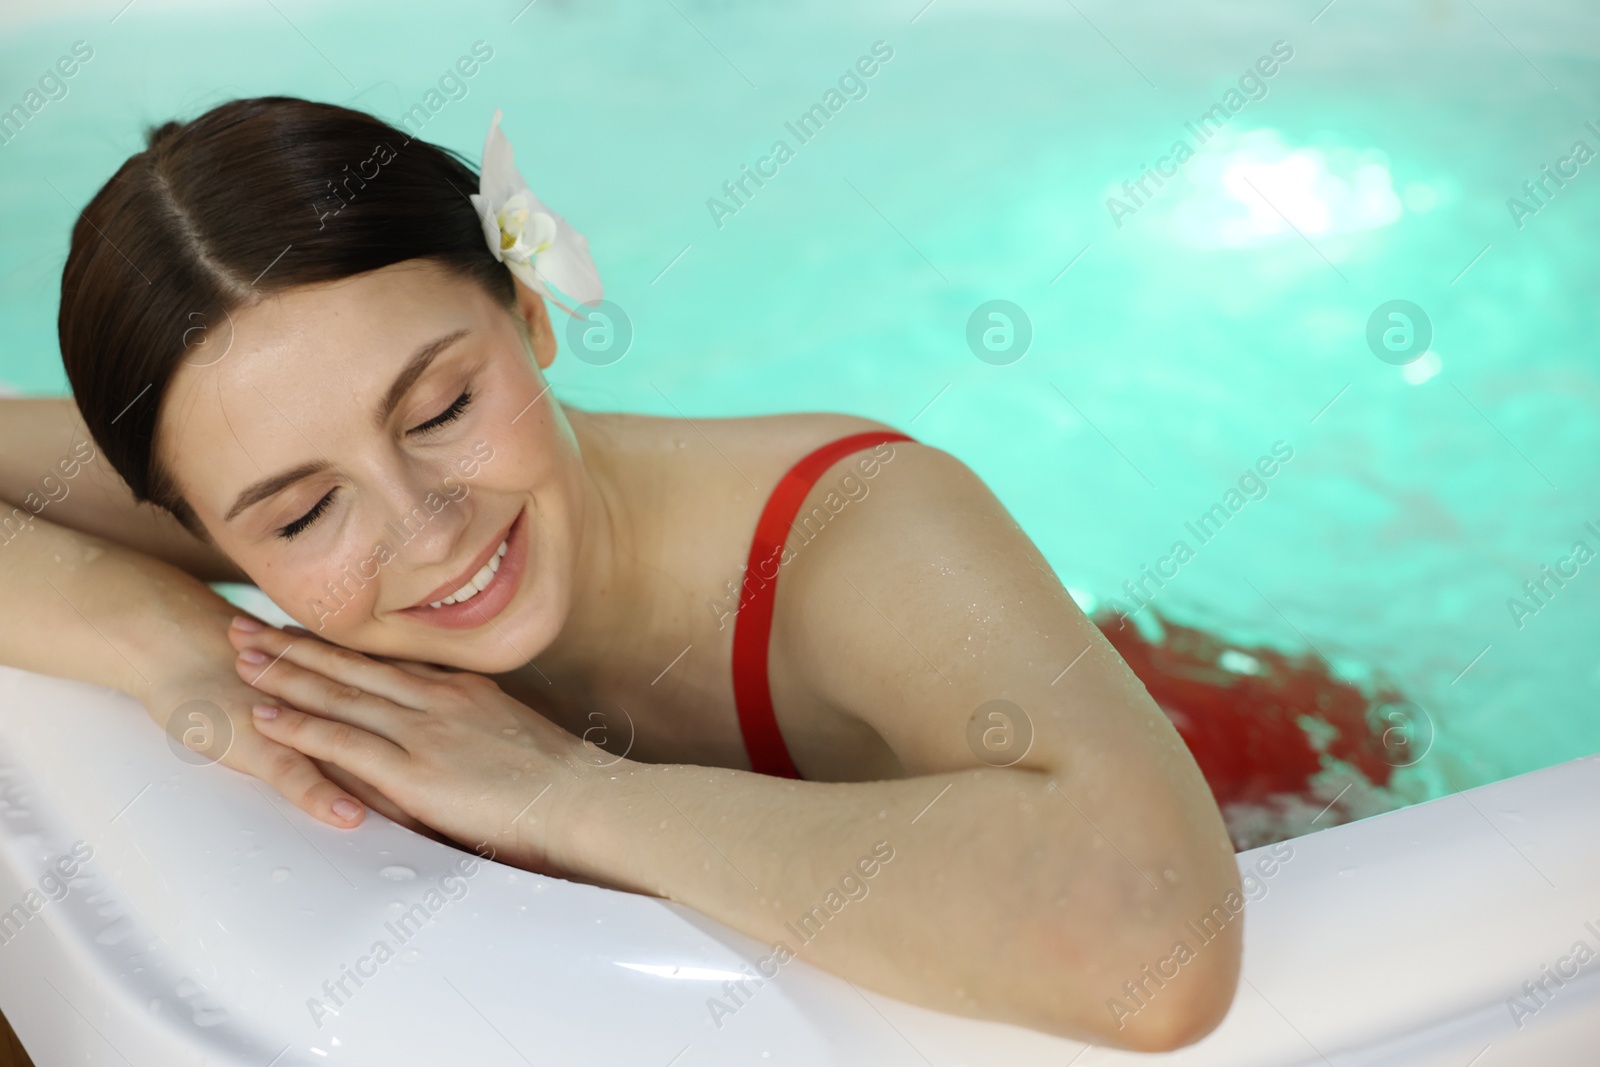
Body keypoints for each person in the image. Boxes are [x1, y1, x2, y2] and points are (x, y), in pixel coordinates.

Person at [0, 97, 1242, 1050]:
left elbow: (1159, 946)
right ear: (203, 525)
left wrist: (564, 793)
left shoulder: (859, 529)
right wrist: (165, 641)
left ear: (530, 312)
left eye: (440, 407)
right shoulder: (246, 485)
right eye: (307, 510)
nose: (425, 528)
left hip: (1235, 756)